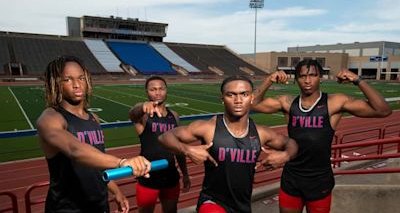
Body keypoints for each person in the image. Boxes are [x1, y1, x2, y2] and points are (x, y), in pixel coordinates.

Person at [251, 60, 392, 213]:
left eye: (312, 75)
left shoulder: (334, 102)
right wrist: (268, 80)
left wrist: (357, 80)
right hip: (292, 179)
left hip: (320, 180)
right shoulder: (287, 102)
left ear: (321, 77)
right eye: (302, 76)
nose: (307, 80)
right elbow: (253, 104)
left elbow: (383, 110)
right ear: (296, 79)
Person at [158, 75, 298, 213]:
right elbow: (165, 137)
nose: (238, 100)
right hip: (212, 202)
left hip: (243, 205)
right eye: (231, 95)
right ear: (222, 99)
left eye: (244, 94)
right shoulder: (208, 128)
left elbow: (291, 144)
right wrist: (187, 150)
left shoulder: (261, 133)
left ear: (252, 98)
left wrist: (285, 156)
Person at [36, 56, 152, 213]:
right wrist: (122, 162)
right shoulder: (51, 118)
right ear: (56, 83)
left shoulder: (94, 118)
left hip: (99, 206)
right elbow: (75, 150)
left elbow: (96, 163)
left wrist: (116, 192)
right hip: (67, 209)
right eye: (68, 80)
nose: (77, 85)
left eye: (81, 78)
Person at [129, 76, 191, 213]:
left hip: (170, 175)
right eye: (153, 89)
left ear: (166, 91)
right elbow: (132, 114)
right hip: (148, 176)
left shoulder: (174, 115)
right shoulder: (143, 116)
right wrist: (142, 106)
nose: (158, 92)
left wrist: (185, 173)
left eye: (161, 88)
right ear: (147, 92)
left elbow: (178, 148)